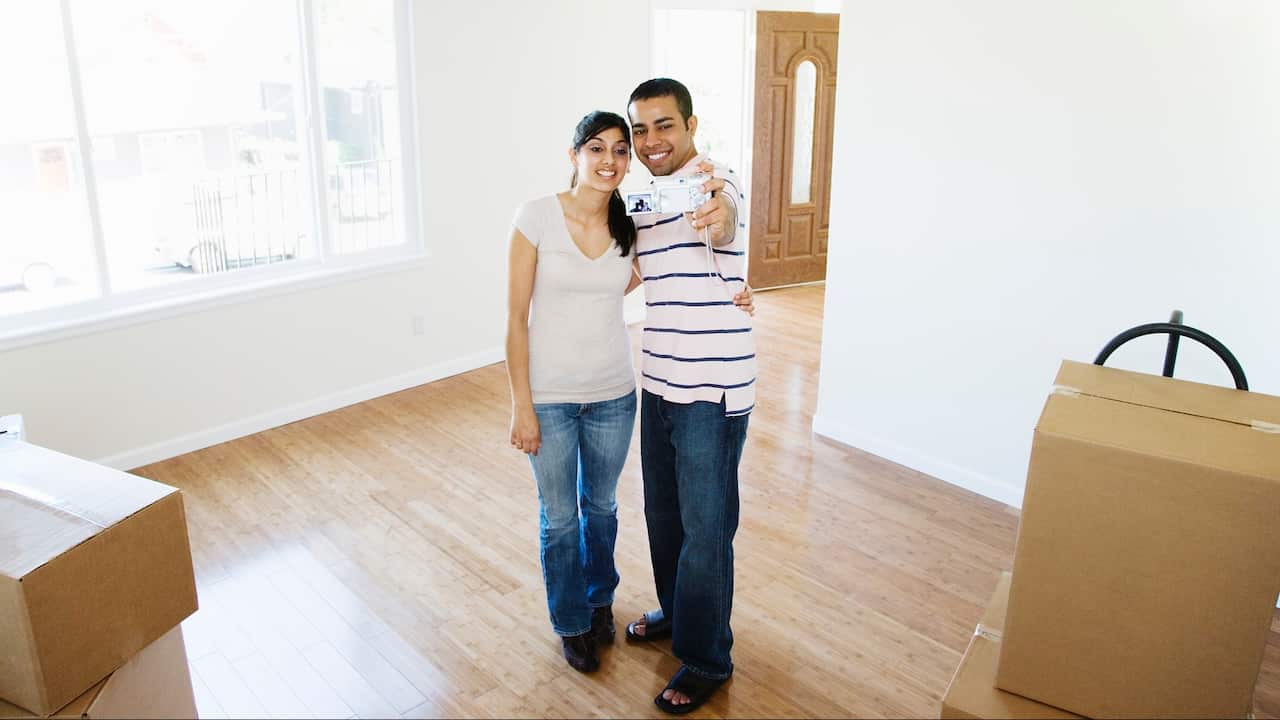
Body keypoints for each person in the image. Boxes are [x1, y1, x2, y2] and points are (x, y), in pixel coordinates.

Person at [504, 110, 752, 675]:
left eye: (621, 149)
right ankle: (570, 621)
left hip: (615, 394)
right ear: (574, 155)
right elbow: (515, 318)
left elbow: (693, 251)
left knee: (603, 509)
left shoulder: (630, 223)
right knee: (560, 517)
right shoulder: (536, 217)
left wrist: (735, 287)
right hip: (549, 396)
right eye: (597, 148)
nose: (611, 160)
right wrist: (522, 406)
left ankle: (598, 606)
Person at [623, 78, 754, 714]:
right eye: (640, 129)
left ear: (691, 124)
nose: (652, 141)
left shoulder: (716, 182)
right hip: (660, 378)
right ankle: (679, 612)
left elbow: (723, 220)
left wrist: (719, 218)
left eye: (664, 126)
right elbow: (625, 274)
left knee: (707, 529)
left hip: (712, 386)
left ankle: (707, 657)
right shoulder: (642, 196)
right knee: (664, 514)